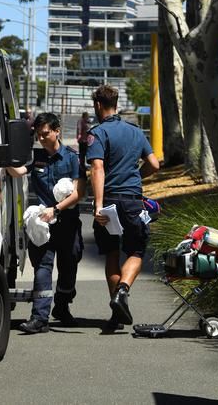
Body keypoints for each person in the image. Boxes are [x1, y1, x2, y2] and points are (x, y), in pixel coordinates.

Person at [86, 85, 160, 330]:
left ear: (98, 105)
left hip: (108, 201)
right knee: (136, 251)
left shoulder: (98, 133)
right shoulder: (136, 132)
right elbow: (154, 164)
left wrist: (98, 205)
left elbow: (97, 168)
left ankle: (117, 312)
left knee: (111, 253)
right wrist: (136, 176)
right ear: (115, 103)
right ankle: (123, 292)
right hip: (132, 200)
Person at [7, 112, 85, 334]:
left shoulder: (72, 158)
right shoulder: (35, 156)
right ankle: (39, 318)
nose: (41, 139)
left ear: (57, 131)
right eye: (38, 135)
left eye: (45, 134)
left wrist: (57, 209)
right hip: (42, 222)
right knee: (42, 267)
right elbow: (18, 172)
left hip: (67, 222)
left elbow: (79, 192)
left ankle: (62, 306)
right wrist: (4, 160)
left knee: (68, 267)